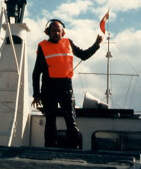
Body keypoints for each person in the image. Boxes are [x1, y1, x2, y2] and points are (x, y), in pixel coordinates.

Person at [31, 19, 103, 148]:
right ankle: (49, 147)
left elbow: (84, 55)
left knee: (70, 118)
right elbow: (36, 72)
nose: (56, 33)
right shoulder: (43, 46)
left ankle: (74, 147)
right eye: (54, 31)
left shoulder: (68, 42)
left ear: (62, 32)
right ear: (48, 32)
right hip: (48, 87)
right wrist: (36, 94)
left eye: (59, 31)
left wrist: (96, 44)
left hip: (65, 86)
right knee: (50, 120)